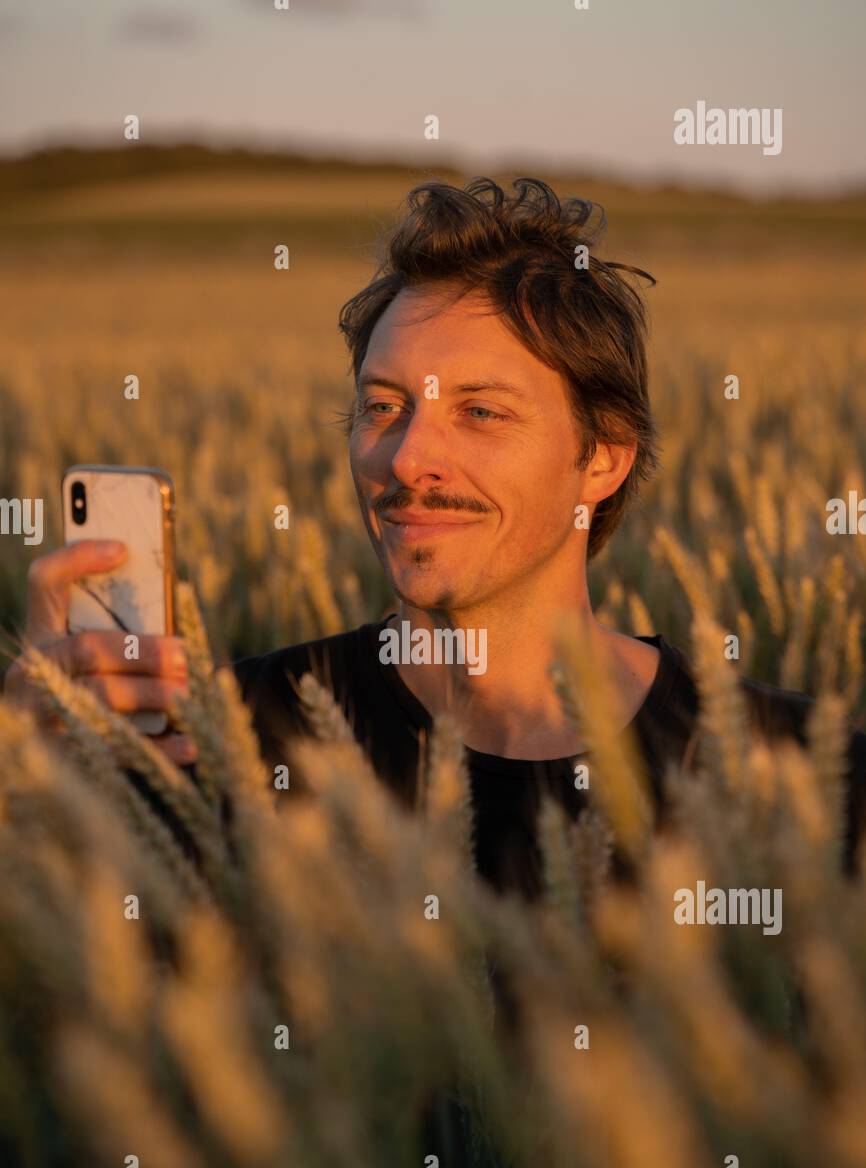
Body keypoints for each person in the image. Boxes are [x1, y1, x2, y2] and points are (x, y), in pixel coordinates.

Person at [6, 177, 866, 900]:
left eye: (480, 413)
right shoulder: (220, 748)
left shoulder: (808, 787)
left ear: (601, 459)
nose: (409, 458)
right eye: (383, 407)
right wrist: (24, 782)